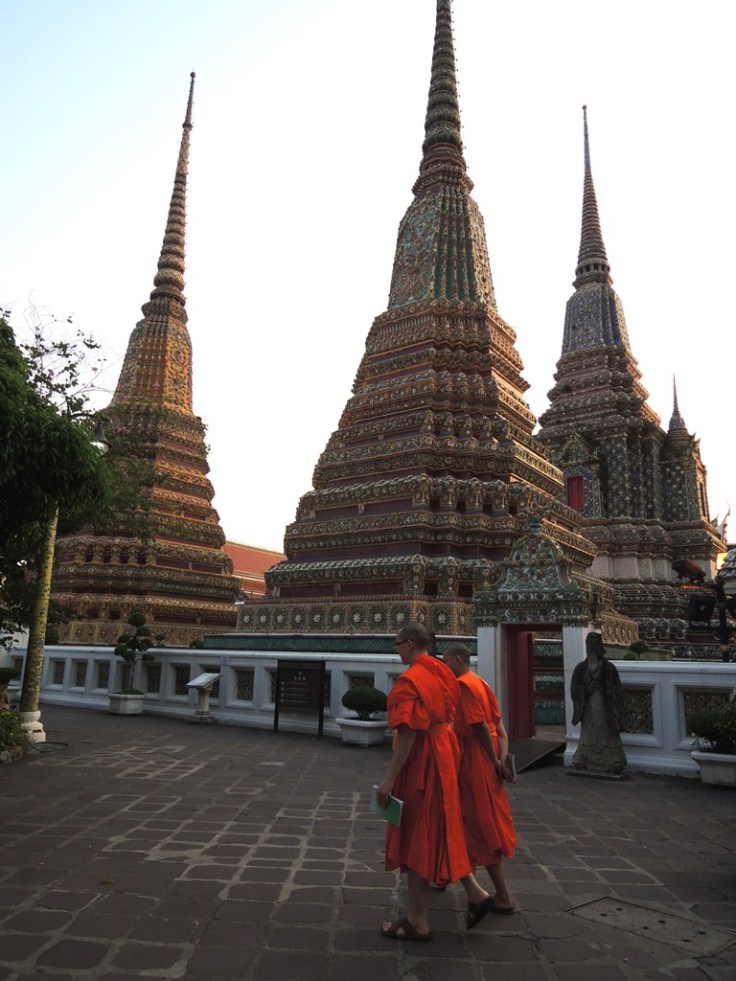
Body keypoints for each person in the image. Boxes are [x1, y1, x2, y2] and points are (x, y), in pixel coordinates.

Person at [376, 622, 496, 941]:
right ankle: (475, 892)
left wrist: (389, 779)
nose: (397, 650)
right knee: (443, 827)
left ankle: (418, 919)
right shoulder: (444, 672)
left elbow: (409, 732)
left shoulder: (411, 680)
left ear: (411, 644)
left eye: (398, 644)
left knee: (417, 833)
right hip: (445, 757)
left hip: (422, 761)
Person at [442, 642, 517, 914]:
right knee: (465, 821)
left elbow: (480, 727)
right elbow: (500, 729)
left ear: (459, 660)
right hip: (486, 762)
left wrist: (490, 758)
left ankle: (503, 894)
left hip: (473, 762)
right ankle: (446, 874)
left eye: (446, 661)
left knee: (478, 825)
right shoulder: (481, 683)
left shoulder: (464, 686)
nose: (444, 666)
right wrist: (501, 759)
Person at [570, 632, 627, 774]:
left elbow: (617, 689)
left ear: (600, 648)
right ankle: (582, 758)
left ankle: (614, 760)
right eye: (589, 647)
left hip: (604, 707)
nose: (591, 650)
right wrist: (585, 690)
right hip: (588, 708)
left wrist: (609, 693)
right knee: (588, 733)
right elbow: (574, 689)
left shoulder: (608, 668)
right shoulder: (581, 669)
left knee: (607, 732)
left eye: (594, 647)